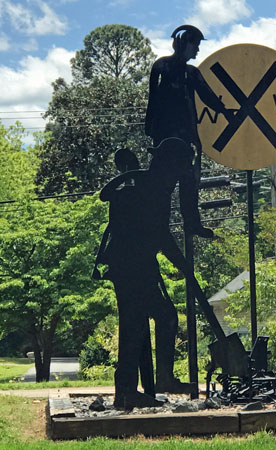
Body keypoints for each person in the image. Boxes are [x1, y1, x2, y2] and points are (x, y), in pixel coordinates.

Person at [97, 138, 198, 409]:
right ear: (169, 165)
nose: (181, 176)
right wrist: (183, 264)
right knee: (137, 325)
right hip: (130, 267)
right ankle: (130, 389)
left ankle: (150, 381)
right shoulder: (151, 187)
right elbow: (161, 235)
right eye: (180, 169)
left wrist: (182, 264)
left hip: (136, 265)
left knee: (154, 319)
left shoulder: (155, 187)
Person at [145, 24, 232, 238]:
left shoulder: (191, 73)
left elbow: (207, 95)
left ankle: (191, 224)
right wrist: (150, 129)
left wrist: (224, 111)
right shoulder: (161, 67)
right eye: (196, 45)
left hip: (184, 139)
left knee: (188, 184)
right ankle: (158, 225)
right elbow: (153, 98)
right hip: (165, 138)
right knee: (164, 185)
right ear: (184, 45)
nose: (198, 51)